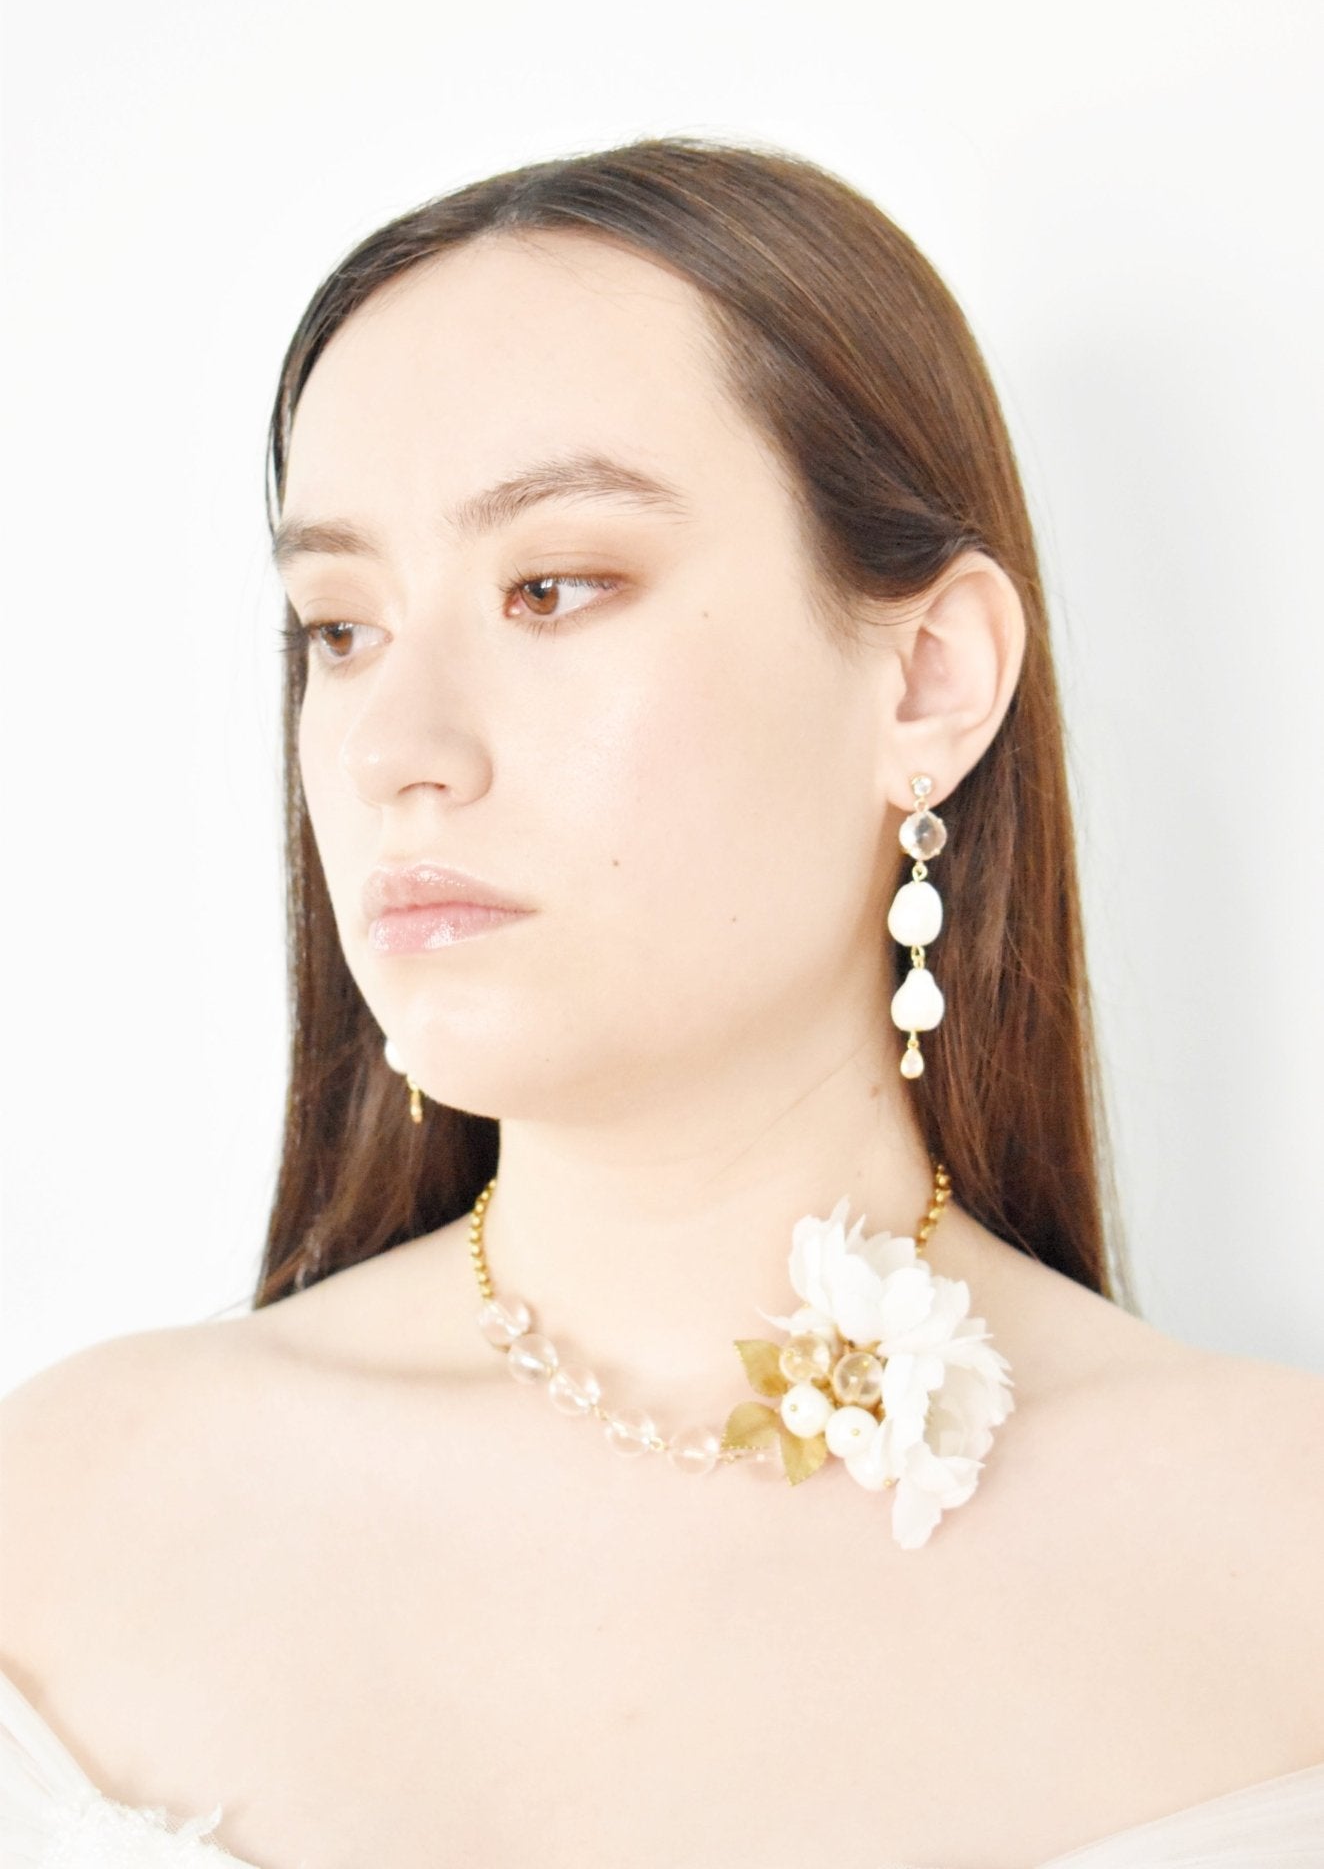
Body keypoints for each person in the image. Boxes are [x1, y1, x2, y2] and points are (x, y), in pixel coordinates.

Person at [2, 136, 1321, 1868]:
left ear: (927, 678)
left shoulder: (1282, 1555)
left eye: (554, 588)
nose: (393, 751)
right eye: (338, 628)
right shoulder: (69, 1512)